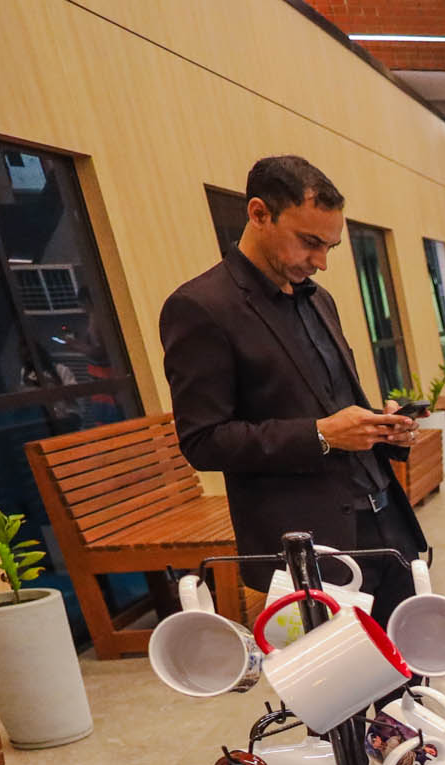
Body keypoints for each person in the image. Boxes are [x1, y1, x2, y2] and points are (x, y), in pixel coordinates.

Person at [159, 154, 424, 620]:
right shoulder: (201, 307)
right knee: (335, 671)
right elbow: (203, 440)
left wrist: (382, 428)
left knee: (412, 662)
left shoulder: (319, 300)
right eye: (309, 242)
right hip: (309, 545)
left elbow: (333, 402)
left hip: (387, 525)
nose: (320, 262)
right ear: (259, 213)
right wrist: (321, 435)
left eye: (329, 247)